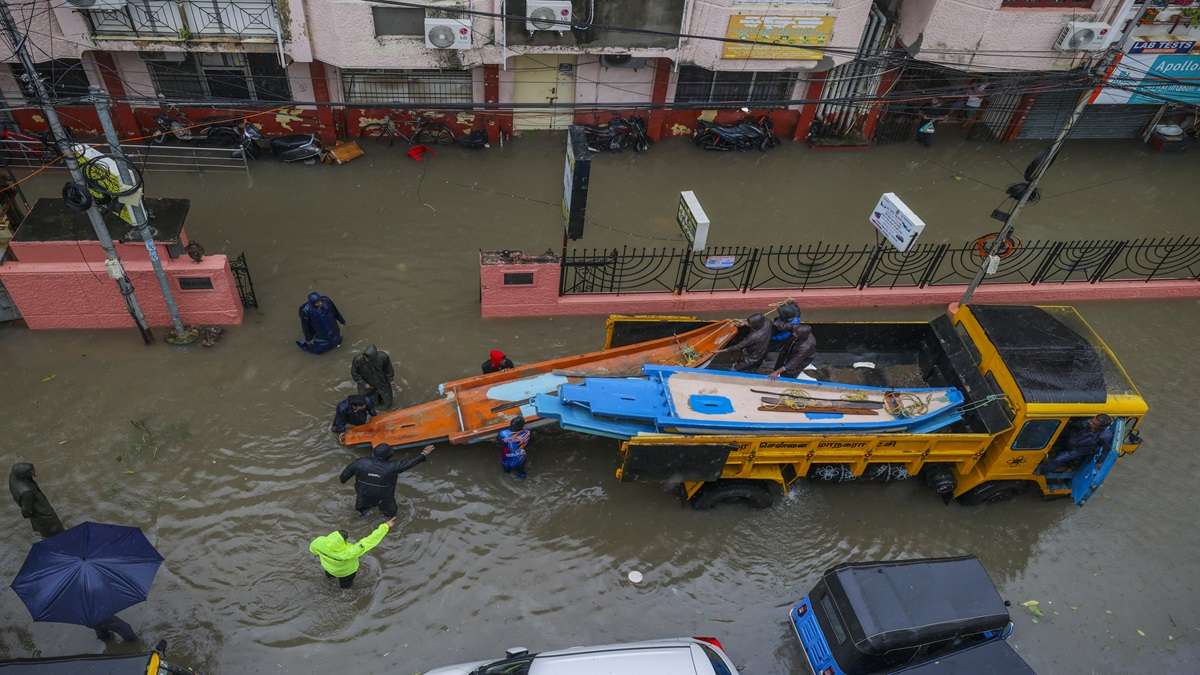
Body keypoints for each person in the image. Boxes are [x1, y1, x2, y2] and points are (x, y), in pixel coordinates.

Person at [339, 444, 435, 517]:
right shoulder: (393, 466)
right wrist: (424, 454)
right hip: (384, 498)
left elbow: (343, 477)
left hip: (364, 495)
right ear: (390, 456)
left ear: (373, 453)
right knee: (390, 515)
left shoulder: (360, 463)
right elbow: (409, 463)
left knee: (363, 513)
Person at [309, 518, 395, 589]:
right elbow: (370, 540)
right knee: (345, 586)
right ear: (344, 541)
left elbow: (313, 551)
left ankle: (329, 582)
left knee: (329, 577)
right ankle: (344, 592)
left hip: (328, 568)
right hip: (346, 573)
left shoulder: (318, 542)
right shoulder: (350, 552)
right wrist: (385, 526)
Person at [9, 463, 64, 538]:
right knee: (58, 534)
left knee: (43, 531)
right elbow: (26, 511)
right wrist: (39, 516)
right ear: (23, 475)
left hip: (37, 514)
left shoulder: (14, 475)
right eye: (31, 472)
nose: (34, 473)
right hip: (45, 518)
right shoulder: (27, 493)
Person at [1044, 415, 1114, 472]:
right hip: (1073, 440)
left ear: (1101, 427)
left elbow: (1106, 449)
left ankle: (1063, 468)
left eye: (1094, 424)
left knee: (1058, 459)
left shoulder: (1105, 436)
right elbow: (1074, 424)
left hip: (1081, 449)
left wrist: (1100, 462)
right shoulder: (1088, 422)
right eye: (1092, 421)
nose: (1090, 423)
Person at [352, 344, 396, 408]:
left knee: (388, 402)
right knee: (368, 402)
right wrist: (364, 384)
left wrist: (391, 380)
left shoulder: (383, 357)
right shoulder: (357, 360)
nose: (366, 359)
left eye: (368, 357)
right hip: (366, 384)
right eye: (365, 357)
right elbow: (354, 373)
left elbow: (389, 370)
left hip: (382, 382)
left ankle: (386, 410)